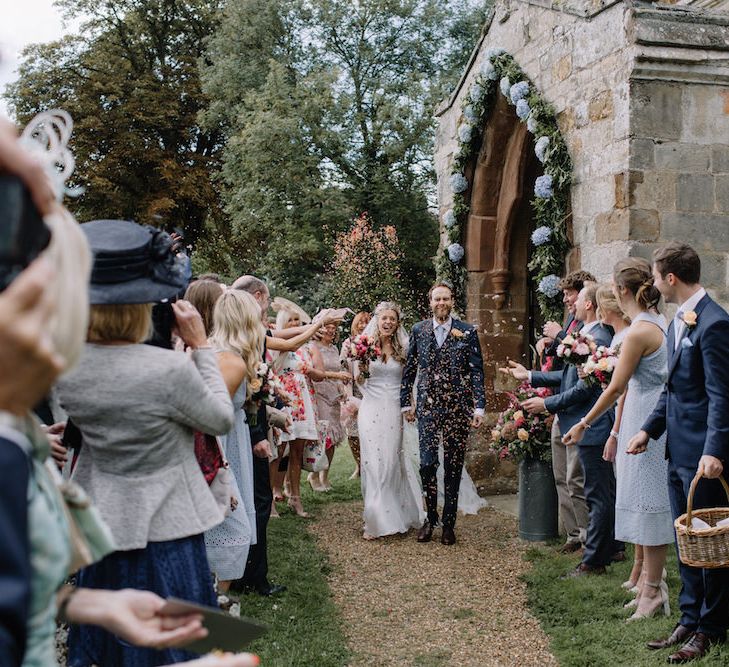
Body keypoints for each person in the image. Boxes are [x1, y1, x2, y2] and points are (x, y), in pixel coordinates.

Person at [57, 219, 236, 665]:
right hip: (169, 527)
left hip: (103, 523)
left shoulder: (67, 369)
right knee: (178, 646)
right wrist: (200, 348)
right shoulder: (168, 372)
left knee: (107, 643)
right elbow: (219, 418)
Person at [628, 242, 729, 662]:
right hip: (676, 452)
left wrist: (714, 451)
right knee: (685, 543)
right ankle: (688, 617)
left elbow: (722, 396)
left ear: (671, 278)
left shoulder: (715, 324)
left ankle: (710, 627)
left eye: (655, 276)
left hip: (704, 459)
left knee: (711, 546)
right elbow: (673, 391)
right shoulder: (677, 322)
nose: (652, 283)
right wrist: (648, 430)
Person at [563, 262, 674, 620]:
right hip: (642, 417)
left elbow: (615, 387)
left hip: (646, 421)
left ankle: (654, 593)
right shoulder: (655, 323)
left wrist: (584, 423)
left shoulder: (640, 331)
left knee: (649, 505)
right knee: (643, 502)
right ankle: (648, 585)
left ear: (623, 291)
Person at [230, 276, 340, 595]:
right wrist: (317, 323)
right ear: (259, 297)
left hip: (252, 419)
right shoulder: (247, 333)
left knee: (253, 497)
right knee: (258, 498)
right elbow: (287, 342)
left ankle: (245, 571)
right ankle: (252, 576)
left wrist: (316, 322)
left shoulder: (242, 330)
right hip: (247, 425)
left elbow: (283, 335)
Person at [504, 282, 618, 575]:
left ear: (590, 304)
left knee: (592, 490)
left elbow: (585, 388)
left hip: (588, 421)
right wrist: (529, 374)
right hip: (574, 418)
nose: (573, 305)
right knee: (583, 486)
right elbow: (567, 375)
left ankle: (596, 555)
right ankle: (594, 550)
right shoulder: (584, 336)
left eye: (577, 299)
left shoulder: (599, 336)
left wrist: (548, 405)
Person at [401, 282, 485, 546]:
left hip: (458, 407)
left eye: (445, 299)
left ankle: (449, 523)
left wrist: (479, 406)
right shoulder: (419, 330)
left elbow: (476, 371)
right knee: (427, 464)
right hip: (427, 407)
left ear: (452, 301)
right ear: (430, 302)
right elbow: (410, 369)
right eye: (437, 299)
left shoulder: (467, 331)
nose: (441, 303)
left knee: (453, 465)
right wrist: (406, 403)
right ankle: (430, 518)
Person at [200, 289, 262, 594]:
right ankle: (211, 603)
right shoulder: (231, 361)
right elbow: (207, 423)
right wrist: (219, 476)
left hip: (226, 447)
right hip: (217, 452)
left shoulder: (217, 351)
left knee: (218, 531)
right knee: (235, 533)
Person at [356, 302, 425, 539]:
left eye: (392, 319)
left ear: (397, 323)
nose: (388, 322)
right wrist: (358, 360)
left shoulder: (405, 347)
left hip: (394, 409)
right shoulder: (365, 346)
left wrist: (411, 404)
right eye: (384, 318)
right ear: (377, 320)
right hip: (370, 408)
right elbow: (359, 380)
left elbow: (412, 379)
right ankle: (375, 519)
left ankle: (396, 513)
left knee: (390, 462)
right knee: (373, 463)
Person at [540, 270, 595, 554]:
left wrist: (559, 336)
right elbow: (564, 368)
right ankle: (573, 534)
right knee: (561, 475)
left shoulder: (595, 329)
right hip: (563, 403)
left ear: (585, 296)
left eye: (569, 294)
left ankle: (589, 538)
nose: (565, 300)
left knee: (577, 477)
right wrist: (548, 348)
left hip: (578, 411)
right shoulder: (572, 322)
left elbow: (585, 359)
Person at [309, 318, 350, 491]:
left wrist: (341, 388)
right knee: (324, 437)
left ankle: (325, 476)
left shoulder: (334, 348)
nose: (331, 331)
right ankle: (314, 475)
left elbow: (336, 370)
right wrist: (338, 376)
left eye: (334, 328)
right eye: (328, 328)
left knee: (333, 439)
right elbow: (317, 373)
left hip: (334, 396)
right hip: (319, 394)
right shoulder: (312, 347)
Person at [340, 311, 371, 479]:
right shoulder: (348, 343)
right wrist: (346, 394)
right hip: (353, 391)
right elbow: (342, 365)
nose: (363, 325)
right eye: (360, 322)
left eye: (367, 321)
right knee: (353, 432)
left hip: (369, 391)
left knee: (369, 430)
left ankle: (370, 465)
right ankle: (359, 465)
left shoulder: (375, 343)